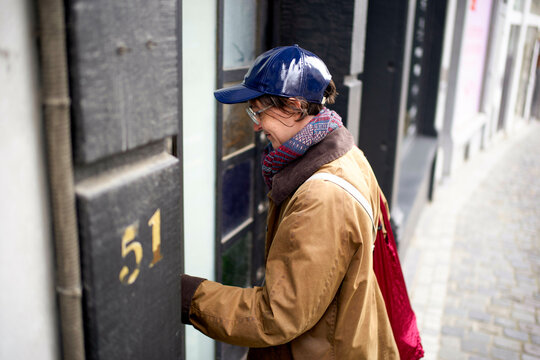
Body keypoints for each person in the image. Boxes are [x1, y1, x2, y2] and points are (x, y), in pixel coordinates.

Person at [181, 45, 399, 359]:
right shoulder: (348, 154)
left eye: (259, 111)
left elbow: (275, 317)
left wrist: (188, 296)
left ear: (295, 107)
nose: (256, 124)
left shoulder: (321, 198)